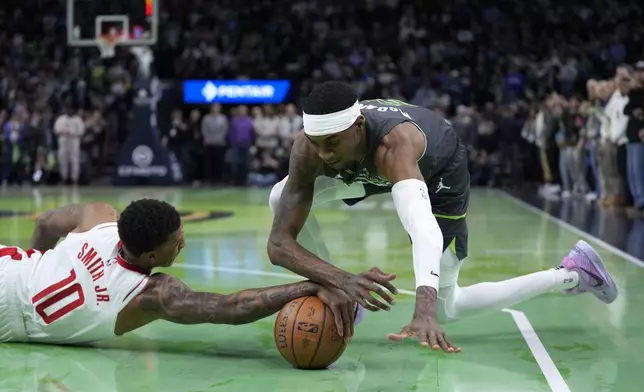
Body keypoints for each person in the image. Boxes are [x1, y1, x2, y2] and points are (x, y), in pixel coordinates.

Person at [266, 81, 618, 353]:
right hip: (362, 166)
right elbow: (279, 244)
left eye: (331, 143)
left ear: (358, 127)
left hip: (439, 172)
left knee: (450, 307)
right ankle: (340, 297)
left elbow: (425, 232)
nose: (323, 155)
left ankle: (572, 273)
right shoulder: (312, 147)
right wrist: (340, 281)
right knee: (280, 195)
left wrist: (424, 309)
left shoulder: (394, 146)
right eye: (316, 143)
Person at [0, 199, 391, 344]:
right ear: (151, 256)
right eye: (176, 240)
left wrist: (40, 264)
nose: (183, 241)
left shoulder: (99, 219)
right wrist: (309, 285)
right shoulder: (148, 296)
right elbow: (229, 308)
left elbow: (47, 221)